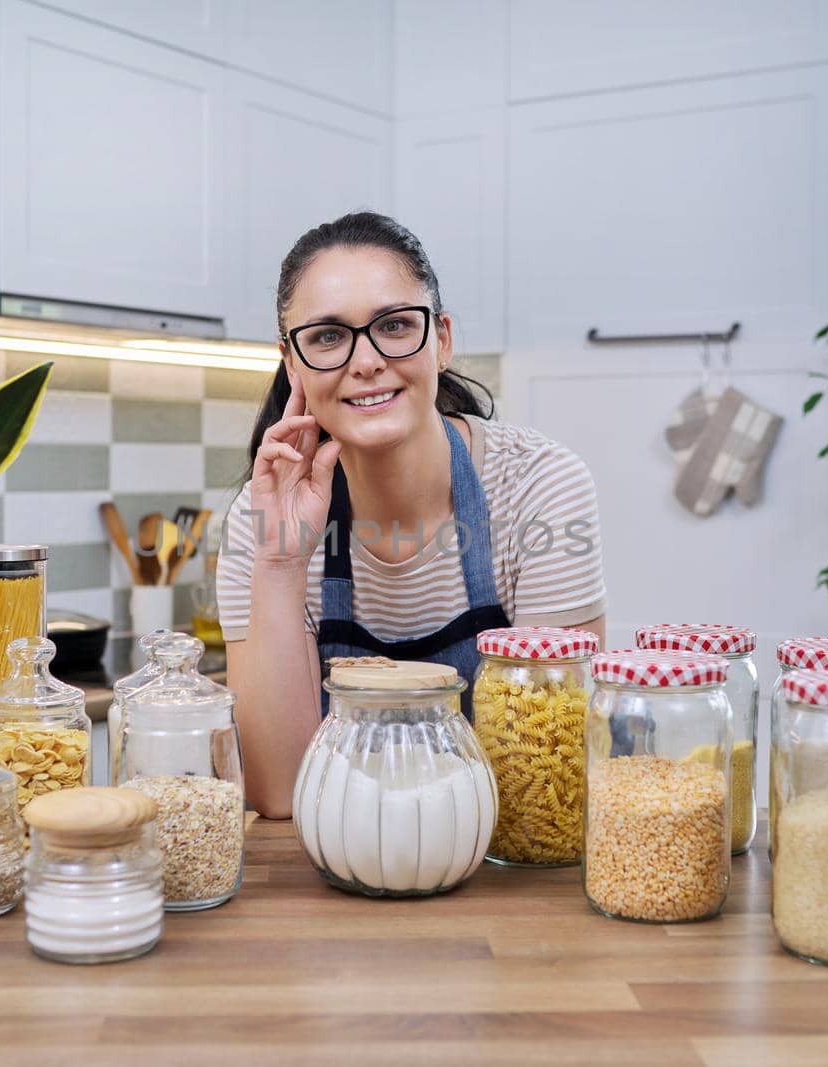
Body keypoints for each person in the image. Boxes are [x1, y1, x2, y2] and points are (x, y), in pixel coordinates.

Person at [218, 212, 606, 818]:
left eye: (395, 326)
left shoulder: (538, 485)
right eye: (326, 336)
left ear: (442, 338)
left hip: (506, 863)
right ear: (291, 362)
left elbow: (548, 769)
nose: (366, 360)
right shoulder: (262, 514)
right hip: (339, 861)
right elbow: (279, 791)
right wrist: (279, 560)